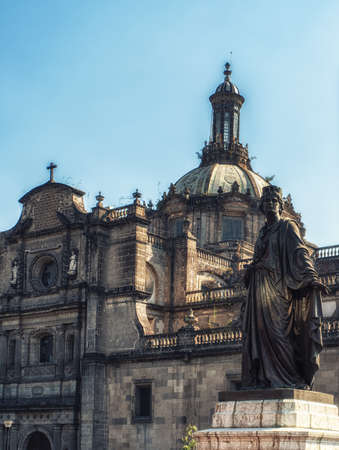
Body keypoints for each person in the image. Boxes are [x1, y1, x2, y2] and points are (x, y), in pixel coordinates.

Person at [241, 185, 328, 389]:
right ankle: (264, 378)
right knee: (261, 334)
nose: (270, 204)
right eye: (267, 201)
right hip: (258, 287)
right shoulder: (263, 232)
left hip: (278, 288)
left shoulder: (288, 227)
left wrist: (311, 276)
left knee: (279, 334)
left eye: (274, 201)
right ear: (262, 206)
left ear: (280, 206)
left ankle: (290, 378)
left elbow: (300, 252)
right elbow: (257, 258)